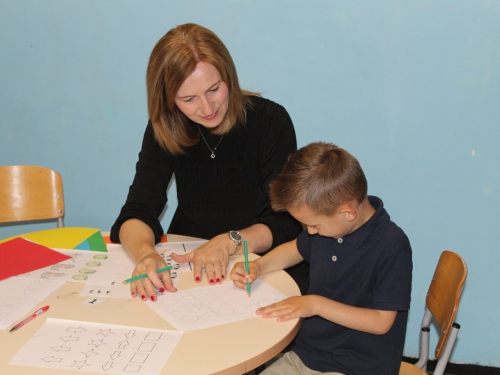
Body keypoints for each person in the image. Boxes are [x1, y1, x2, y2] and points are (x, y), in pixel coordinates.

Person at [110, 23, 305, 302]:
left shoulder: (270, 121)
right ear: (169, 101)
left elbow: (285, 223)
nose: (207, 108)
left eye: (214, 89)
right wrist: (146, 254)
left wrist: (229, 241)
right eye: (189, 99)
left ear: (228, 77)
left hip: (260, 261)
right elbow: (137, 211)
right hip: (190, 257)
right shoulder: (164, 128)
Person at [230, 142, 412, 375]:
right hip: (308, 354)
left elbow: (381, 322)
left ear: (347, 213)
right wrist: (258, 265)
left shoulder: (391, 247)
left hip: (358, 366)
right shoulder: (333, 226)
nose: (310, 232)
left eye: (314, 225)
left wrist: (315, 304)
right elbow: (295, 248)